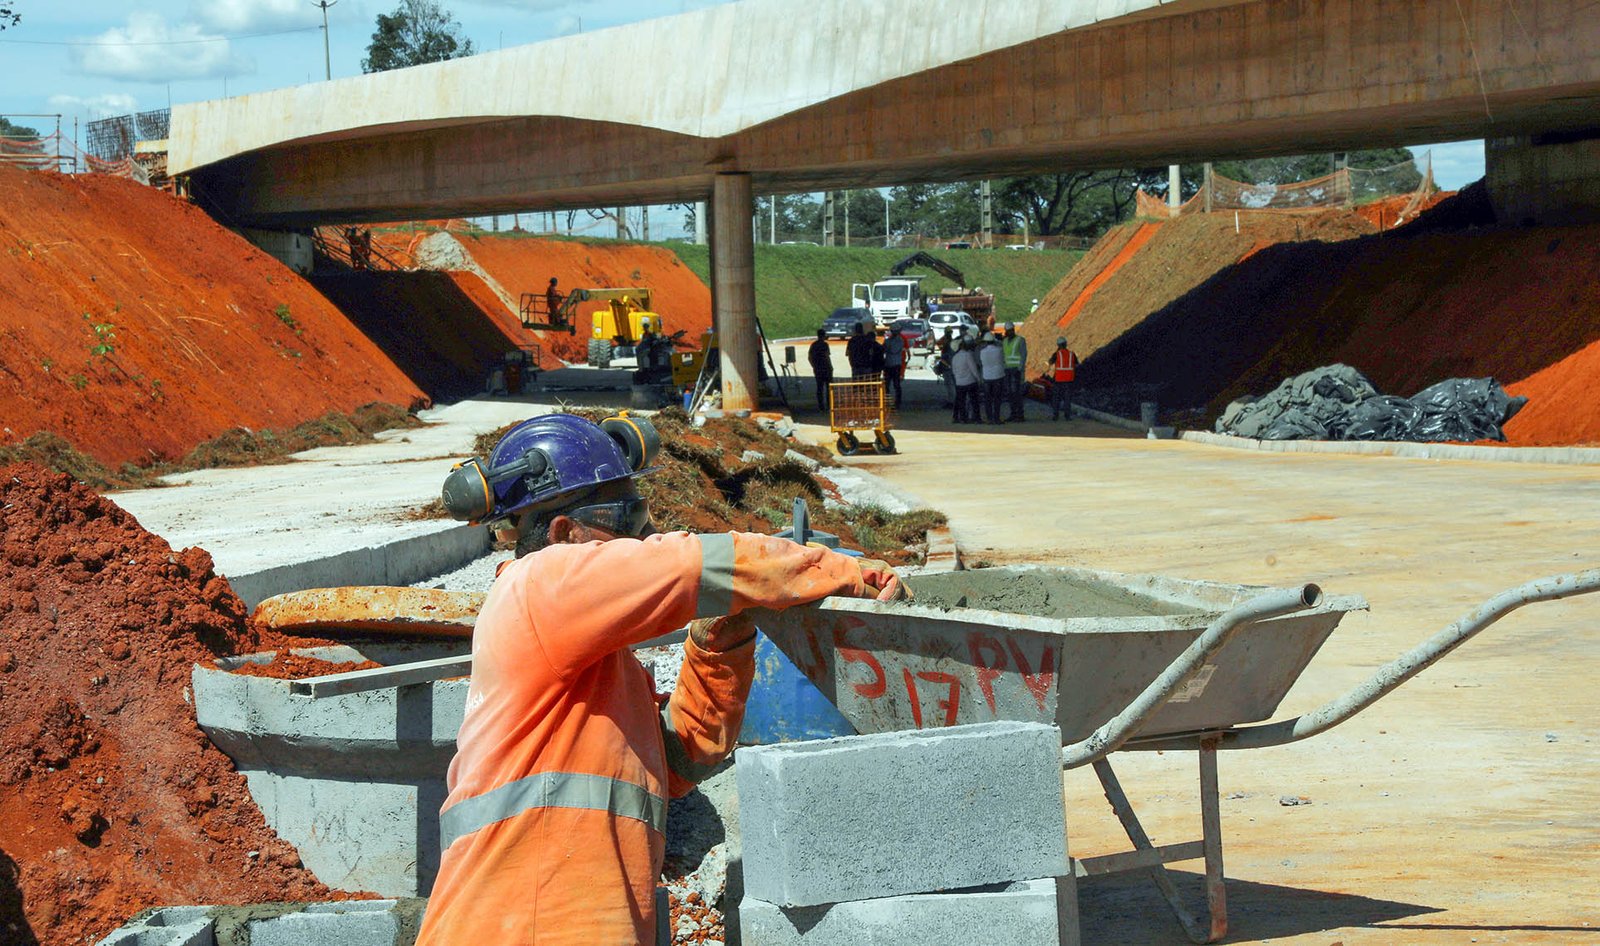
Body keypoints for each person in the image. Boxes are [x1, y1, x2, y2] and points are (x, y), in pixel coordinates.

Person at [420, 414, 907, 945]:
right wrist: (849, 574)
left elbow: (674, 763)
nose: (645, 532)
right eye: (628, 516)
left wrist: (717, 648)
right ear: (563, 533)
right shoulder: (539, 583)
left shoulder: (589, 664)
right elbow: (700, 564)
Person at [1000, 322, 1028, 422]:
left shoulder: (1020, 340)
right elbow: (1003, 356)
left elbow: (1023, 355)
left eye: (1010, 331)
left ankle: (1020, 415)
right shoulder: (1004, 341)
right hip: (1007, 370)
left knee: (1017, 393)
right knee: (1010, 393)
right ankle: (1013, 413)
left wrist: (1020, 369)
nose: (1009, 333)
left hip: (1016, 370)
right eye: (1007, 331)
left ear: (1013, 330)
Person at [951, 336, 982, 424]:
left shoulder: (954, 358)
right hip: (970, 382)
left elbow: (954, 371)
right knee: (974, 401)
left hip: (959, 383)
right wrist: (978, 379)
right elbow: (973, 369)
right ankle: (977, 418)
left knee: (961, 401)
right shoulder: (967, 355)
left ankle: (963, 418)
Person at [978, 332, 1005, 425]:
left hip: (987, 377)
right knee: (997, 398)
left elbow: (981, 363)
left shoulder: (982, 352)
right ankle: (996, 418)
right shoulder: (999, 350)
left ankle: (989, 418)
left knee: (988, 399)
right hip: (998, 376)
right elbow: (1003, 360)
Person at [1050, 335, 1079, 421]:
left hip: (1058, 380)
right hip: (1069, 380)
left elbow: (1050, 362)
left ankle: (1055, 415)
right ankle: (1067, 416)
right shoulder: (1072, 354)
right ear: (1066, 344)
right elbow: (1077, 364)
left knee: (1056, 398)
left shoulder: (1056, 354)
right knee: (1067, 398)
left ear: (1058, 345)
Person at [808, 328, 834, 413]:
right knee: (828, 387)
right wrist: (830, 366)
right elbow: (827, 356)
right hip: (826, 368)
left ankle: (821, 406)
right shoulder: (825, 345)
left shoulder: (813, 345)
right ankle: (829, 405)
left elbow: (809, 357)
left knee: (819, 388)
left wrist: (814, 366)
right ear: (823, 335)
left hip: (817, 368)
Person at [883, 327, 906, 409]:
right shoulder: (901, 341)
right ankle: (897, 402)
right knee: (896, 384)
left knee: (887, 385)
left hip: (888, 364)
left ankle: (887, 401)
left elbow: (884, 350)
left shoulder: (887, 341)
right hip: (897, 364)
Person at [935, 335, 956, 408]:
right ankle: (953, 401)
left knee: (950, 386)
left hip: (948, 369)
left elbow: (943, 360)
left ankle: (952, 402)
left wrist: (946, 365)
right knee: (952, 386)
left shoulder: (947, 347)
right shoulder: (953, 345)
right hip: (953, 369)